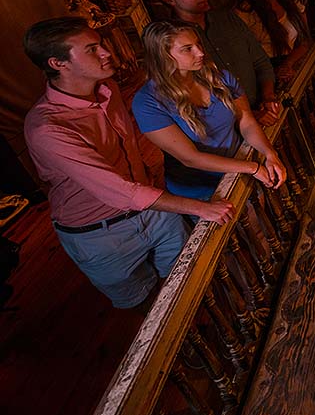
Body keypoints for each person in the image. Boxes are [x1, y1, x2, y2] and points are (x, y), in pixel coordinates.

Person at [23, 18, 234, 309]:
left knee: (194, 281)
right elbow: (118, 191)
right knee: (146, 307)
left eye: (102, 45)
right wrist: (199, 206)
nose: (107, 52)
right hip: (102, 233)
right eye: (92, 49)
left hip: (155, 210)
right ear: (58, 63)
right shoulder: (47, 128)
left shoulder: (108, 90)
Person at [133, 21, 287, 202]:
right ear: (163, 56)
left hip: (241, 168)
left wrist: (270, 154)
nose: (200, 52)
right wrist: (251, 168)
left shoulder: (218, 78)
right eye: (187, 49)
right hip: (203, 191)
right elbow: (190, 158)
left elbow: (246, 121)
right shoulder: (148, 103)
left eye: (198, 44)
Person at [147, 0, 280, 126]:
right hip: (230, 129)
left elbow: (260, 61)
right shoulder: (172, 41)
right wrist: (247, 116)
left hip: (263, 109)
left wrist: (268, 97)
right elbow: (190, 94)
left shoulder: (227, 18)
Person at [236, 0, 310, 84]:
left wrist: (288, 64)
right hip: (267, 72)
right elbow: (246, 56)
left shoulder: (289, 3)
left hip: (288, 64)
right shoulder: (247, 13)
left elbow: (304, 42)